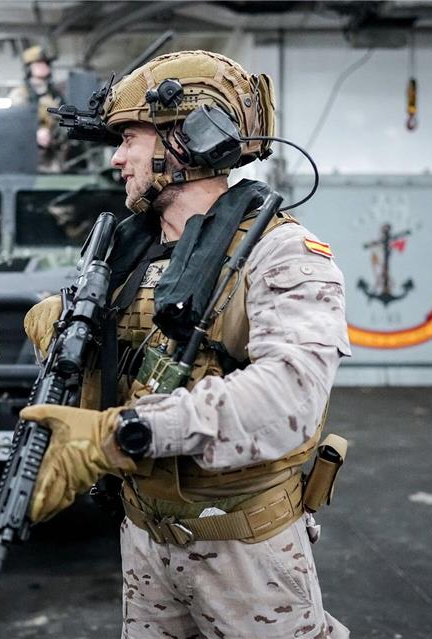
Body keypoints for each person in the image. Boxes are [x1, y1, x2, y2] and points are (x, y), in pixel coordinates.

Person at [22, 51, 352, 638]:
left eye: (130, 138)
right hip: (146, 542)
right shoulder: (126, 255)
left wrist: (125, 432)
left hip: (246, 555)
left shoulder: (283, 253)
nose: (119, 158)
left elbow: (290, 397)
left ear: (190, 138)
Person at [8, 45, 66, 172]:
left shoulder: (56, 94)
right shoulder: (20, 94)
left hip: (54, 155)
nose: (43, 66)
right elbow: (15, 123)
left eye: (45, 63)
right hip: (27, 156)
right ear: (29, 68)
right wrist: (35, 132)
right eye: (38, 63)